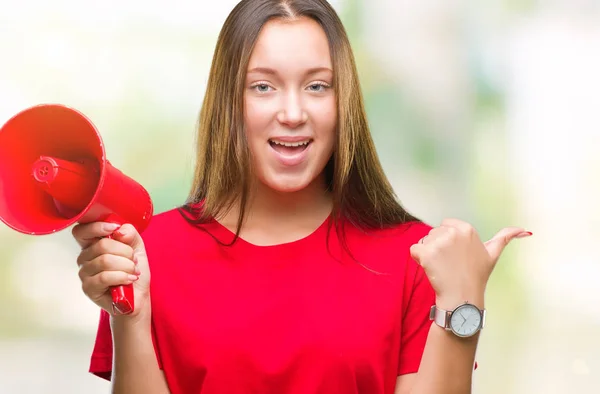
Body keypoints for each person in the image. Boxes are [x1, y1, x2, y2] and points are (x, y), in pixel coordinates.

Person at [73, 0, 532, 393]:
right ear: (229, 102)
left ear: (343, 101)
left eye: (317, 86)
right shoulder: (151, 253)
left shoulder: (414, 257)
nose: (292, 113)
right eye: (263, 86)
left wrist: (463, 299)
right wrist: (128, 317)